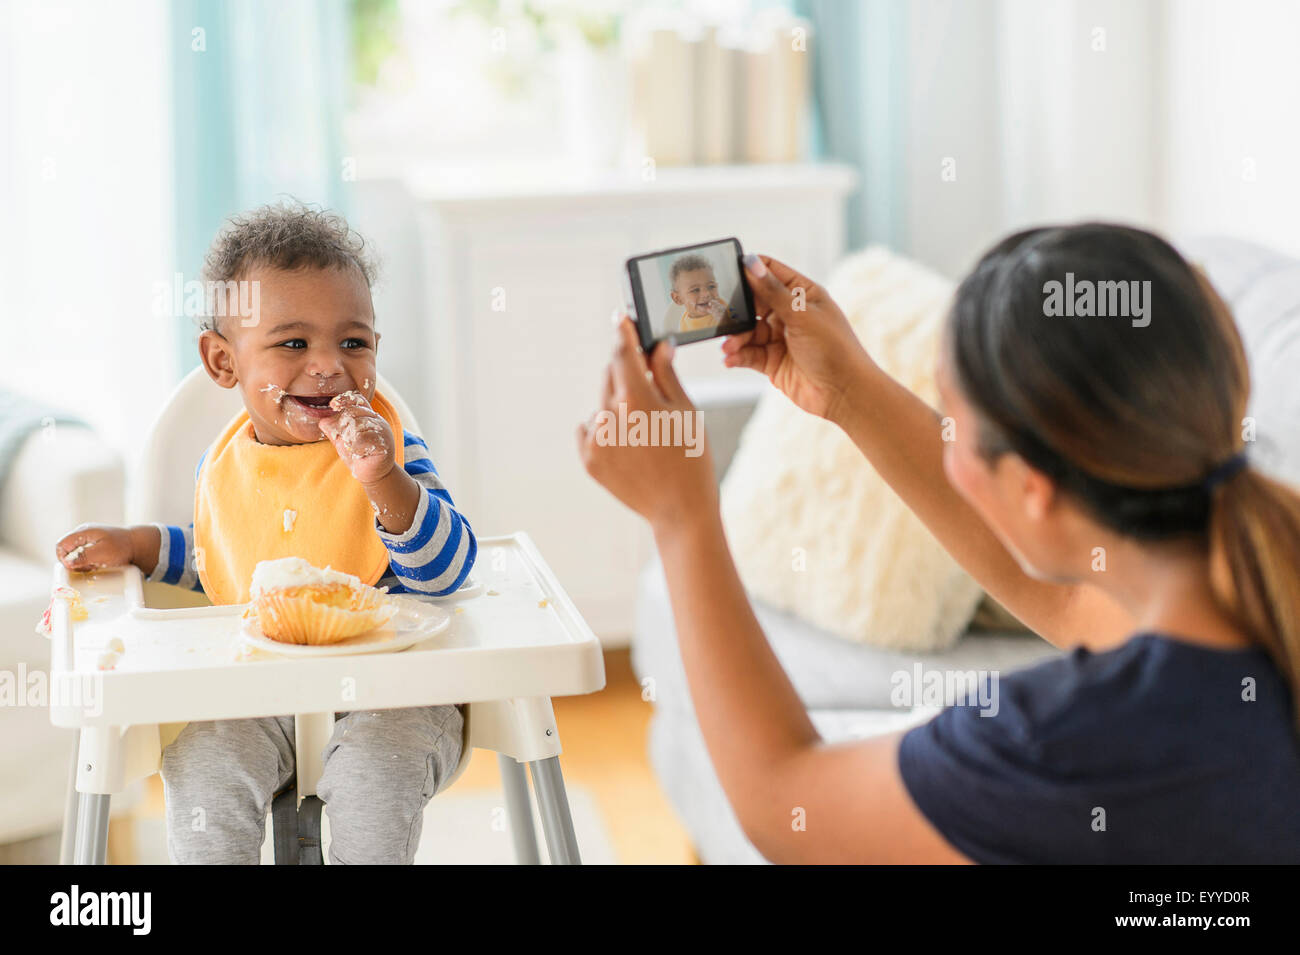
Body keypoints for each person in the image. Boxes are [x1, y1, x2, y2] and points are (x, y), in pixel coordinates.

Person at [578, 223, 1300, 863]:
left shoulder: (1060, 740)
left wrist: (682, 521)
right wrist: (852, 391)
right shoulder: (1254, 587)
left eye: (954, 426)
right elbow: (1072, 602)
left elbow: (785, 805)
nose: (948, 444)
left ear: (1031, 487)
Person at [55, 202, 476, 864]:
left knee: (374, 776)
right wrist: (138, 545)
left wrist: (384, 478)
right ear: (223, 362)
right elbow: (218, 558)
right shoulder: (226, 464)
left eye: (354, 342)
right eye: (293, 343)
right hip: (259, 696)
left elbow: (448, 568)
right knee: (203, 764)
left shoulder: (386, 449)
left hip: (396, 694)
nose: (329, 365)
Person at [667, 253, 735, 334]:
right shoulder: (684, 326)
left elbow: (740, 331)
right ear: (678, 299)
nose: (706, 294)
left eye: (711, 286)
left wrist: (726, 321)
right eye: (695, 290)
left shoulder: (726, 311)